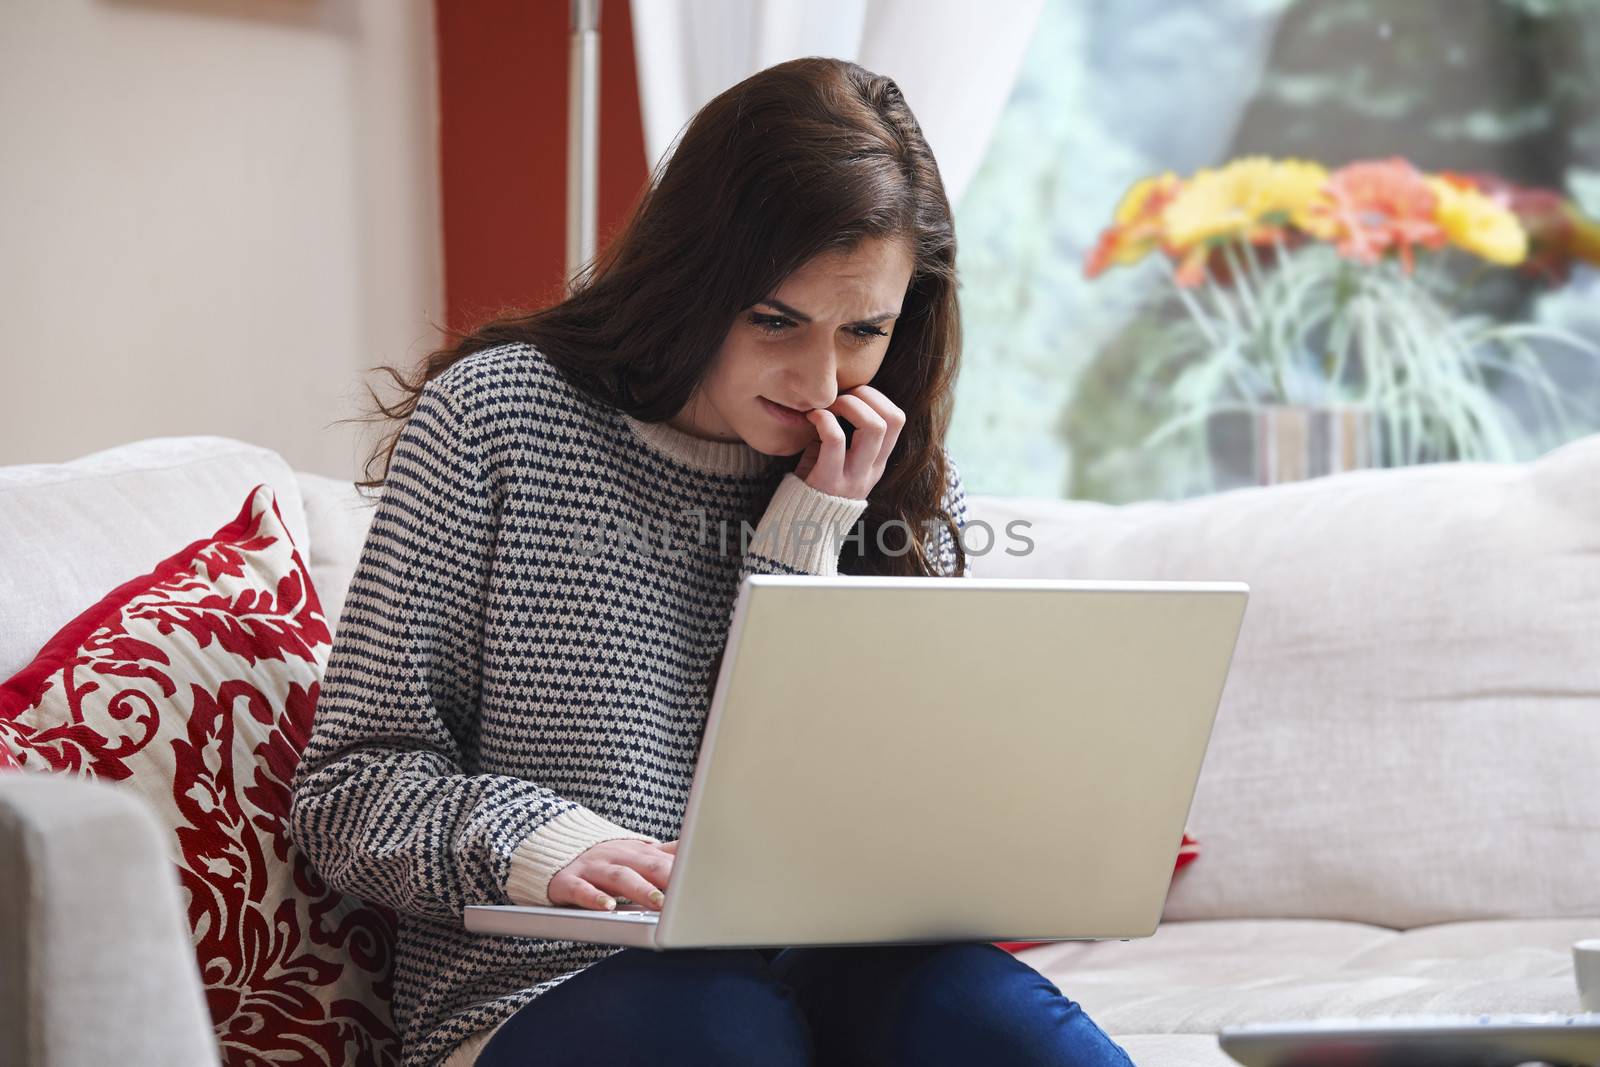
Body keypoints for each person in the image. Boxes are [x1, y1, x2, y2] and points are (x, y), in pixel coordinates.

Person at [288, 56, 1135, 1067]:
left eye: (862, 329)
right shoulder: (497, 420)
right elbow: (349, 789)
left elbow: (829, 803)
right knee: (726, 1030)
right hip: (543, 988)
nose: (818, 378)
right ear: (694, 275)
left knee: (999, 1025)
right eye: (775, 319)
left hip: (828, 968)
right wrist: (549, 845)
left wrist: (808, 536)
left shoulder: (892, 481)